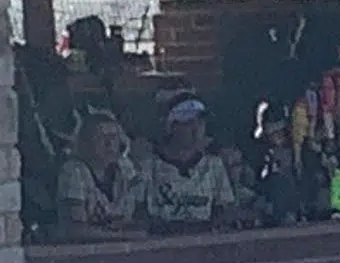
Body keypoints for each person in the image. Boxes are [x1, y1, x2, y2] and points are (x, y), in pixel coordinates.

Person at [142, 95, 237, 234]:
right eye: (189, 123)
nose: (196, 129)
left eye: (200, 122)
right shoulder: (149, 166)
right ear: (172, 126)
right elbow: (141, 216)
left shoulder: (214, 165)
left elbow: (224, 211)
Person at [55, 110, 147, 242]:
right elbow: (75, 230)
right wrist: (121, 236)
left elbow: (142, 220)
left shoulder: (126, 169)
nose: (109, 144)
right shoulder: (73, 171)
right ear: (85, 143)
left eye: (113, 137)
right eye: (101, 138)